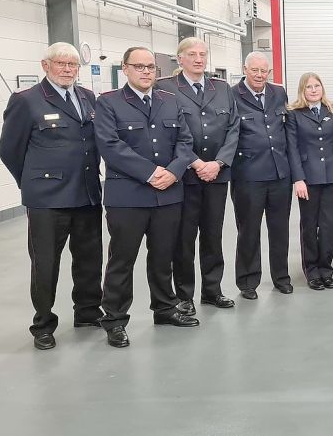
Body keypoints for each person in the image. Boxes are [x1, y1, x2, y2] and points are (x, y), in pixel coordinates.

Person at [0, 42, 104, 350]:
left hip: (86, 193)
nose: (68, 70)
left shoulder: (88, 97)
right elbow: (10, 150)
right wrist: (31, 182)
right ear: (46, 66)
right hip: (47, 198)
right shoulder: (27, 101)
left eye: (73, 65)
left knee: (89, 259)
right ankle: (43, 323)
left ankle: (87, 311)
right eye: (62, 64)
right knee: (45, 264)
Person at [95, 47, 200, 348]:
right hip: (128, 196)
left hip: (168, 194)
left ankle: (165, 308)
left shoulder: (170, 101)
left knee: (163, 256)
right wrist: (151, 172)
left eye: (151, 67)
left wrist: (175, 171)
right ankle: (114, 319)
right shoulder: (110, 103)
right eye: (139, 66)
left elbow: (185, 140)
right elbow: (110, 145)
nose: (146, 72)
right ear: (125, 69)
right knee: (122, 259)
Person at [155, 37, 239, 314]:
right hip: (185, 176)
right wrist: (194, 163)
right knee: (184, 238)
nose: (199, 59)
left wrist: (219, 162)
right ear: (180, 59)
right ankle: (185, 295)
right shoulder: (165, 88)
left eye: (203, 54)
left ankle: (212, 291)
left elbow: (234, 128)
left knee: (213, 235)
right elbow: (167, 132)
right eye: (192, 54)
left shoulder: (223, 88)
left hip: (216, 175)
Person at [230, 52, 296, 299]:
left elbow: (286, 129)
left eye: (264, 71)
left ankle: (281, 277)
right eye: (254, 70)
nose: (259, 75)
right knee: (249, 230)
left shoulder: (279, 93)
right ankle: (247, 281)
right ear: (245, 69)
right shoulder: (232, 95)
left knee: (280, 229)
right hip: (248, 175)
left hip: (280, 174)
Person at [287, 73, 333, 290]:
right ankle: (312, 270)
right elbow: (292, 149)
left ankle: (326, 269)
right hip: (308, 179)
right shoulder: (294, 114)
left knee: (330, 226)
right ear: (302, 91)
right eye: (308, 87)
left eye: (317, 86)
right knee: (309, 226)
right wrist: (298, 179)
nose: (313, 90)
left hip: (332, 177)